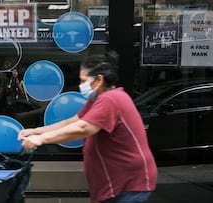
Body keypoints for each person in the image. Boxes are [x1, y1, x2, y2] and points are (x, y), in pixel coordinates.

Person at [18, 54, 158, 203]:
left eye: (84, 81)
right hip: (117, 184)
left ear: (99, 79)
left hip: (128, 185)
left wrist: (40, 139)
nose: (81, 85)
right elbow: (71, 122)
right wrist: (35, 131)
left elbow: (83, 128)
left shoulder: (110, 99)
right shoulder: (98, 99)